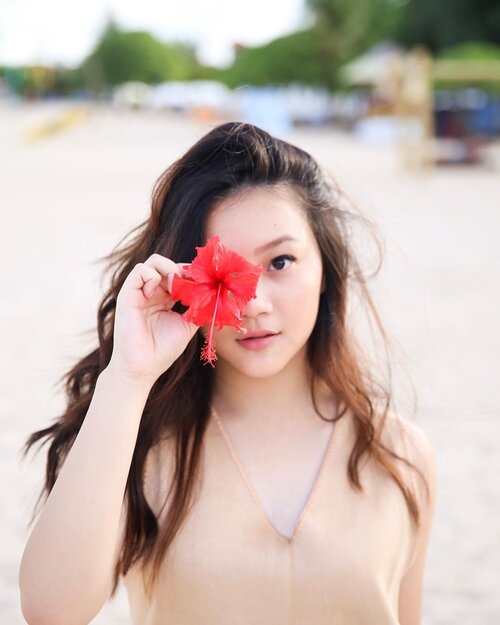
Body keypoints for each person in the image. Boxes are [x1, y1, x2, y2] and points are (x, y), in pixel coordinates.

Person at [19, 121, 437, 625]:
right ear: (184, 281)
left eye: (280, 261)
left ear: (324, 268)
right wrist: (128, 378)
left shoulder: (397, 454)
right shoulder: (140, 442)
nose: (254, 303)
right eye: (221, 275)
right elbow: (50, 612)